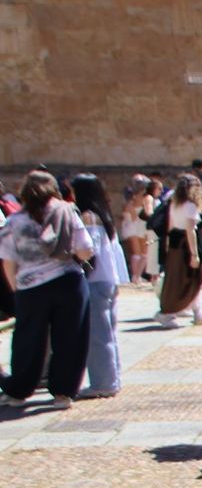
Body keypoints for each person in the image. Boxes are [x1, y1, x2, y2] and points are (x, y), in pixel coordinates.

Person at [0, 171, 92, 408]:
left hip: (30, 287)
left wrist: (16, 289)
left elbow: (8, 260)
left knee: (27, 340)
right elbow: (85, 249)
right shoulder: (67, 211)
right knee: (70, 338)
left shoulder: (15, 221)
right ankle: (63, 393)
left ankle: (19, 391)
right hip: (68, 281)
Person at [70, 175, 129, 399]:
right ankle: (112, 378)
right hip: (108, 279)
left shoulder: (87, 217)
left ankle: (103, 382)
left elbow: (89, 250)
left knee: (98, 335)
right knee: (108, 333)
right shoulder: (103, 216)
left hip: (95, 281)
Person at [155, 174, 202, 327]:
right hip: (186, 247)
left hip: (175, 246)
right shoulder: (190, 206)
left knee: (177, 279)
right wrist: (194, 254)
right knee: (191, 280)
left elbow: (170, 226)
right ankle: (169, 313)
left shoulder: (174, 204)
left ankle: (196, 312)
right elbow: (190, 230)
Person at [120, 177, 155, 285]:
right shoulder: (145, 199)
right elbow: (139, 216)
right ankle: (136, 276)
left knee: (137, 253)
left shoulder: (130, 201)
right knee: (142, 253)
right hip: (137, 226)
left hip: (131, 227)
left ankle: (136, 276)